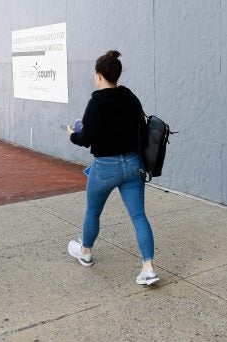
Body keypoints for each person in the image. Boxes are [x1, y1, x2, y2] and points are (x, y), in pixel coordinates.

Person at [66, 50, 158, 286]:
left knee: (93, 212)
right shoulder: (130, 97)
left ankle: (85, 252)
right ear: (116, 75)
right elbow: (141, 127)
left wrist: (72, 134)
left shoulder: (96, 103)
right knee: (138, 216)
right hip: (132, 164)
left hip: (105, 167)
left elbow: (86, 138)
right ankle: (148, 268)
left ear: (99, 76)